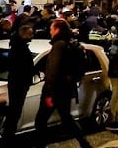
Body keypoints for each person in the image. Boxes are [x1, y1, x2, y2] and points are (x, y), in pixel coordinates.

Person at [32, 18, 91, 148]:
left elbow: (53, 70)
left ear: (57, 29)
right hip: (66, 88)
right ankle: (84, 143)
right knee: (66, 119)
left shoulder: (59, 45)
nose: (50, 32)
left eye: (51, 29)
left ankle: (41, 144)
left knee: (41, 120)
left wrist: (49, 93)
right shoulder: (73, 44)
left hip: (55, 89)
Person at [1, 21, 35, 147]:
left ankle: (8, 136)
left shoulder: (16, 46)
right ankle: (8, 138)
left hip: (16, 81)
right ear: (24, 35)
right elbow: (25, 66)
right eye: (30, 34)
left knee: (14, 111)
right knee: (15, 111)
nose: (32, 36)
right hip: (19, 82)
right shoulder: (21, 48)